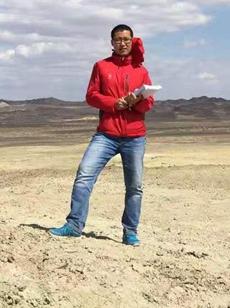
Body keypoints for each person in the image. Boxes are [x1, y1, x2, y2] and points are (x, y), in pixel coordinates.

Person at [50, 24, 155, 246]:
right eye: (118, 39)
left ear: (132, 41)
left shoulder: (141, 71)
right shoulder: (101, 66)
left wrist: (135, 102)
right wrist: (113, 103)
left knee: (134, 186)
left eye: (126, 39)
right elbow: (91, 96)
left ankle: (130, 232)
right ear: (112, 42)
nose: (122, 43)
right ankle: (74, 225)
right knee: (84, 175)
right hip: (106, 134)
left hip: (135, 136)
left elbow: (149, 104)